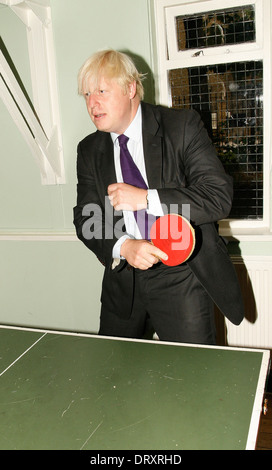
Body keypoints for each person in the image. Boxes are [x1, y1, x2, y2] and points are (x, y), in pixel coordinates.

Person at [73, 49, 244, 344]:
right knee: (114, 376)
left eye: (101, 90)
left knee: (194, 376)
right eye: (87, 94)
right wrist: (124, 247)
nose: (92, 103)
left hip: (181, 277)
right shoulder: (89, 150)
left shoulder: (182, 126)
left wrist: (147, 199)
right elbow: (87, 219)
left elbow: (217, 197)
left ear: (130, 89)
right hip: (123, 282)